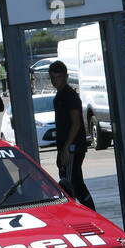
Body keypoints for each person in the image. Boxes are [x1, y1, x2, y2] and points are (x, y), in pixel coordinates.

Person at [48, 60, 95, 209]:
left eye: (59, 77)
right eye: (53, 77)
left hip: (73, 147)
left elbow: (76, 123)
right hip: (66, 146)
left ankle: (81, 212)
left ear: (66, 76)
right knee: (76, 182)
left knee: (69, 184)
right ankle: (89, 211)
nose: (56, 80)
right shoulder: (60, 96)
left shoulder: (69, 95)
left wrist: (67, 147)